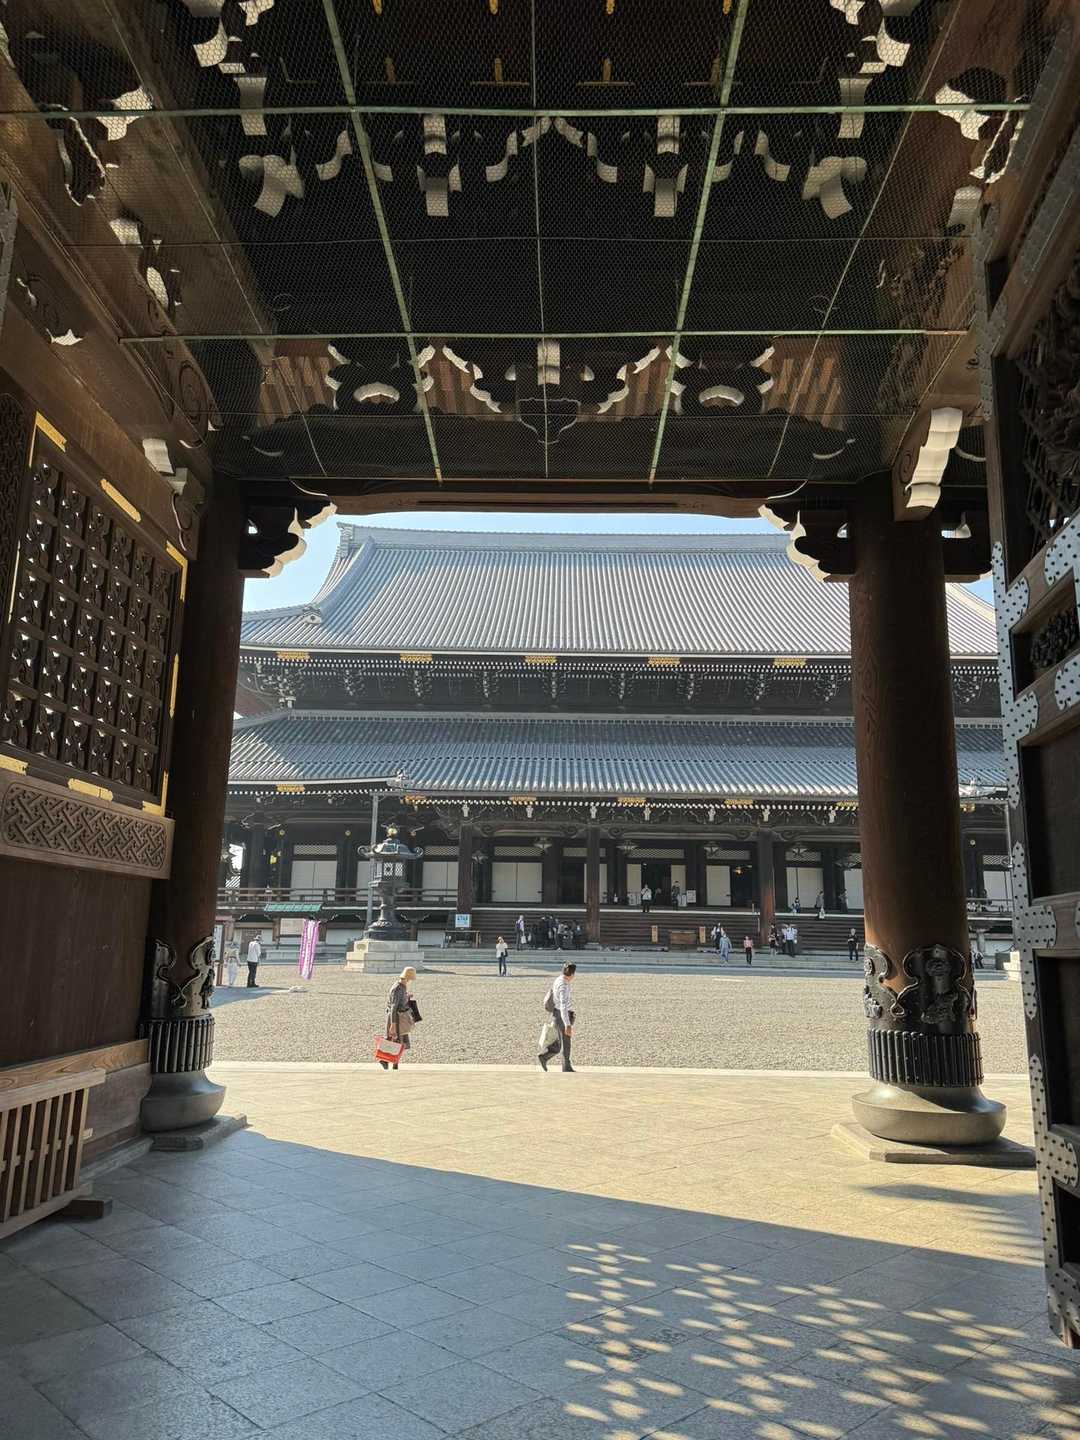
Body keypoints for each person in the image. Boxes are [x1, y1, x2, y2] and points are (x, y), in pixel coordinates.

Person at [538, 961, 576, 1072]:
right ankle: (566, 1066)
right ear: (572, 974)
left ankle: (544, 1057)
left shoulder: (559, 979)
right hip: (561, 1015)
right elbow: (563, 1006)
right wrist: (567, 1024)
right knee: (566, 1042)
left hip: (557, 1013)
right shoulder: (563, 985)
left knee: (559, 1042)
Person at [381, 966, 418, 1071]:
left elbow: (399, 1001)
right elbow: (393, 1007)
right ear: (408, 977)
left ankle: (393, 1063)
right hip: (396, 1018)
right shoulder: (398, 988)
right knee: (395, 1041)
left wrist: (407, 997)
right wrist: (393, 1024)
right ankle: (385, 1060)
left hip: (400, 1017)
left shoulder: (402, 987)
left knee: (398, 1042)